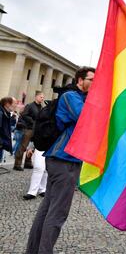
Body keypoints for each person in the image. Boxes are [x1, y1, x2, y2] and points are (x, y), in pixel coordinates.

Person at [26, 66, 95, 254]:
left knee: (48, 208)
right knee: (58, 213)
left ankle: (33, 250)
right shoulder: (71, 96)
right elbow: (86, 119)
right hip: (64, 159)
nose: (95, 83)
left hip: (63, 159)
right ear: (80, 80)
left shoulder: (80, 97)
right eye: (92, 79)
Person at [13, 91, 44, 171]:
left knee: (32, 147)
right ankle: (17, 164)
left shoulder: (41, 107)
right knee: (23, 146)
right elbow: (24, 114)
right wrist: (32, 121)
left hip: (36, 130)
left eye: (43, 97)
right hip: (28, 129)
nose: (42, 98)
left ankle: (28, 163)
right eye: (41, 97)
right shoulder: (30, 106)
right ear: (36, 97)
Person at [0, 97, 17, 163]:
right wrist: (1, 143)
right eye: (14, 103)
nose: (16, 105)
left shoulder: (5, 113)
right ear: (7, 104)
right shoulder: (1, 113)